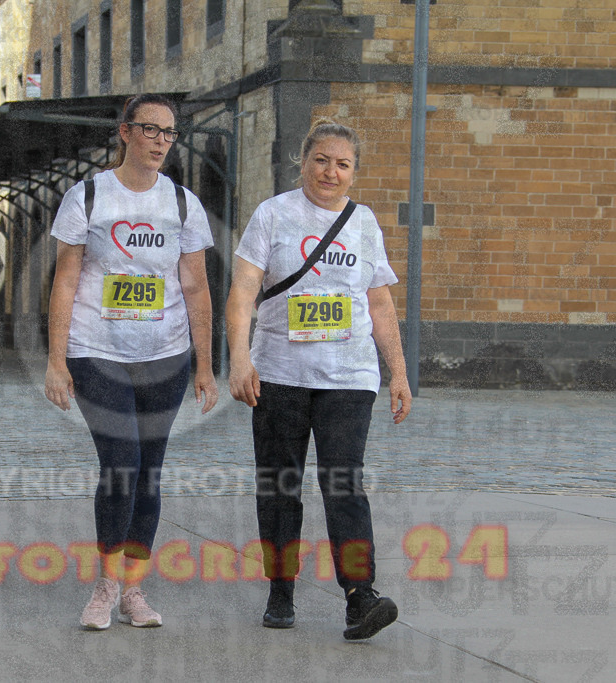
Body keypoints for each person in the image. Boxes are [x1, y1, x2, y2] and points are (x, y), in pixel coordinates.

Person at [225, 118, 411, 638]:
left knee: (343, 482)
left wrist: (397, 372)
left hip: (349, 376)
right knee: (280, 484)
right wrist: (240, 360)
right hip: (279, 373)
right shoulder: (273, 215)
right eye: (322, 160)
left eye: (343, 164)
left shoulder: (364, 223)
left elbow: (378, 300)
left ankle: (359, 595)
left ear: (354, 172)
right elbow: (242, 293)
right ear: (303, 162)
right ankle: (281, 589)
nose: (331, 172)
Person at [45, 94, 218, 630]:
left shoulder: (184, 204)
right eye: (150, 129)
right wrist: (55, 360)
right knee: (121, 467)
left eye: (169, 132)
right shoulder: (89, 196)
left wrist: (206, 365)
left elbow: (196, 287)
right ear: (125, 133)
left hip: (164, 354)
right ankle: (105, 583)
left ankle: (133, 593)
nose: (161, 140)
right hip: (97, 349)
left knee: (150, 474)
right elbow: (66, 280)